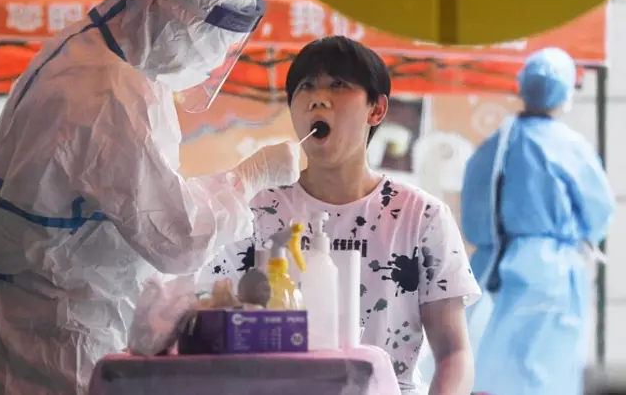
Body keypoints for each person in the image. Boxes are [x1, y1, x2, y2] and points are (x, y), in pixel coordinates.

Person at [0, 0, 302, 394]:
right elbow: (177, 236)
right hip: (61, 341)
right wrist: (251, 176)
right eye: (215, 37)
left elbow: (138, 199)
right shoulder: (110, 94)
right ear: (173, 12)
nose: (216, 55)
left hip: (34, 322)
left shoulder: (87, 52)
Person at [202, 36, 481, 395]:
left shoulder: (422, 217)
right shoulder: (253, 212)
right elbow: (213, 313)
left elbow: (454, 353)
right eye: (306, 86)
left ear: (376, 110)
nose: (319, 97)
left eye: (338, 84)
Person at [461, 47, 615, 395]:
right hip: (551, 273)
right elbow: (598, 208)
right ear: (564, 92)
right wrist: (587, 238)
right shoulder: (569, 146)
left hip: (490, 268)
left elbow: (472, 211)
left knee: (494, 367)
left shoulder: (495, 144)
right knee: (546, 369)